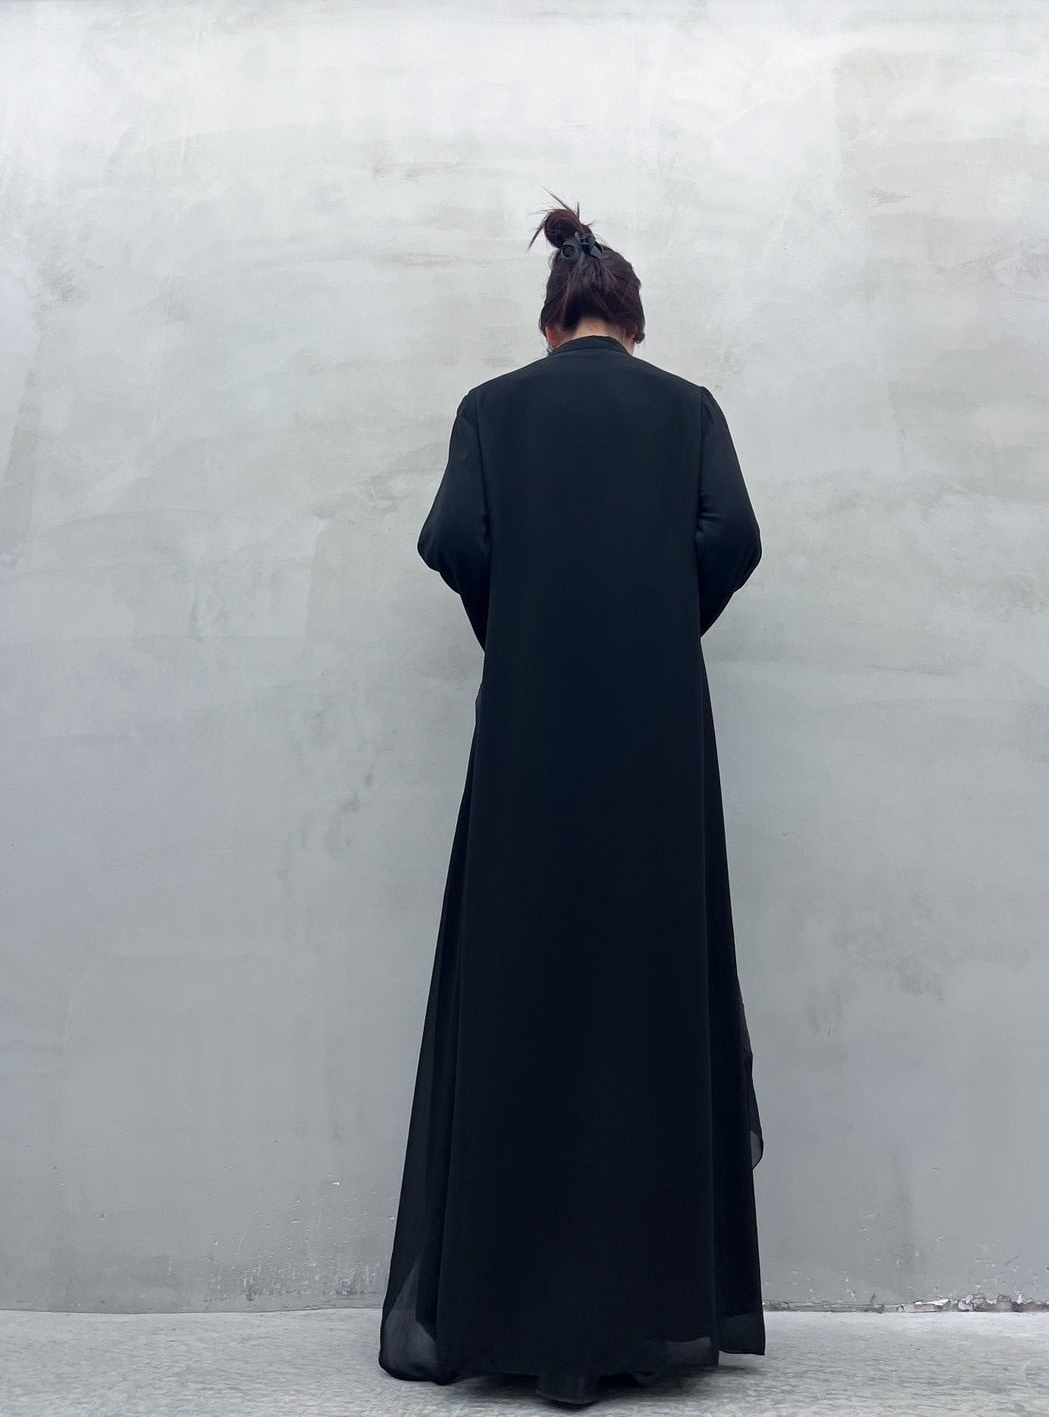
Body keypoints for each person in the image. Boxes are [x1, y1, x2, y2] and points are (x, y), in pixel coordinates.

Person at [378, 196, 766, 1409]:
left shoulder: (491, 408)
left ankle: (514, 1312)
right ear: (630, 321)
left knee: (524, 986)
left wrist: (526, 617)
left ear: (550, 321)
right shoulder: (686, 408)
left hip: (529, 735)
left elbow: (452, 536)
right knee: (650, 989)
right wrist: (655, 613)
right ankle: (647, 1313)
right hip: (656, 740)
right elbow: (734, 536)